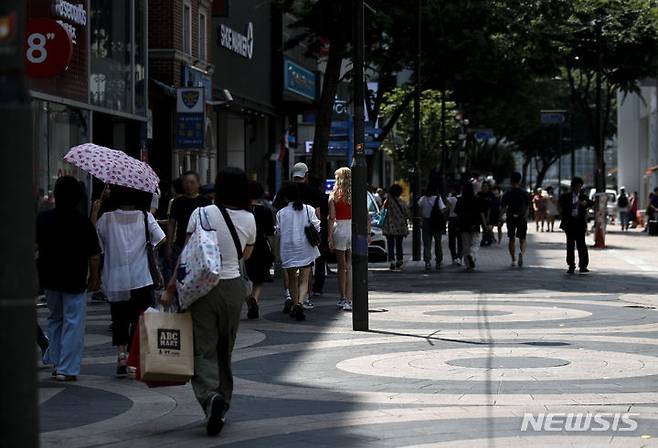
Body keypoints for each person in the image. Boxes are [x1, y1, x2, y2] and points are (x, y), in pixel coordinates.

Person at [161, 167, 256, 437]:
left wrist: (170, 287)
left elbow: (187, 254)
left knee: (202, 349)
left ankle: (210, 397)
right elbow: (246, 255)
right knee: (225, 347)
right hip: (233, 288)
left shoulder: (200, 213)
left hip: (202, 289)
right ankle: (222, 401)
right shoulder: (249, 218)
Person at [95, 185, 166, 376]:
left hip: (115, 278)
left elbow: (97, 242)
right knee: (138, 318)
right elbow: (161, 238)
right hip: (140, 277)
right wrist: (147, 245)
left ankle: (121, 355)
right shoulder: (145, 217)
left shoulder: (106, 218)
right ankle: (134, 360)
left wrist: (97, 208)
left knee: (119, 318)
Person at [37, 176, 101, 381]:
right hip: (74, 279)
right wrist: (94, 278)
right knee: (73, 322)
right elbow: (94, 255)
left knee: (55, 318)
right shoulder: (83, 223)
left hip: (49, 278)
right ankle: (67, 368)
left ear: (56, 195)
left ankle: (56, 361)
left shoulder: (43, 219)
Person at [276, 182, 321, 321]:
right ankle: (301, 303)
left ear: (285, 198)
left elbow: (278, 232)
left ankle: (295, 304)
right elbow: (317, 227)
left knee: (291, 279)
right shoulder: (309, 209)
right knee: (304, 278)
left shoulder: (281, 213)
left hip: (288, 248)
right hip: (305, 247)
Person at [166, 171, 211, 278]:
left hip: (200, 245)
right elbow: (171, 224)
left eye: (192, 182)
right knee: (179, 276)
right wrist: (168, 245)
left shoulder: (206, 202)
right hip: (180, 243)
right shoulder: (177, 202)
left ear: (198, 184)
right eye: (186, 182)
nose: (189, 185)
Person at [245, 181, 275, 320]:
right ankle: (255, 300)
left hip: (243, 246)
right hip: (261, 246)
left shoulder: (241, 210)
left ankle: (249, 298)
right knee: (259, 279)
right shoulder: (266, 210)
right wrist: (273, 251)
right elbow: (270, 233)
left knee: (245, 277)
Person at [328, 168, 353, 310]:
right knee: (350, 266)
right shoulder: (356, 194)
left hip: (340, 228)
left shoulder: (334, 195)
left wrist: (329, 236)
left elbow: (331, 218)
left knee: (341, 266)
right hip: (352, 229)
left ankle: (343, 297)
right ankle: (349, 300)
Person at [559, 177, 592, 274]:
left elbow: (590, 203)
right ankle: (571, 265)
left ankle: (583, 265)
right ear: (572, 187)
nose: (578, 188)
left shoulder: (583, 197)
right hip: (569, 223)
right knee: (570, 245)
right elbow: (561, 206)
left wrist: (583, 203)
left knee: (581, 244)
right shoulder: (566, 197)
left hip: (580, 223)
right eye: (576, 186)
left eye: (580, 186)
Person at [454, 182, 487, 270]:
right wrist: (484, 226)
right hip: (475, 225)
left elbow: (457, 214)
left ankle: (468, 265)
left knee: (465, 244)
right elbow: (481, 213)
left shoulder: (460, 200)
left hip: (463, 225)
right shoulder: (477, 199)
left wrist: (457, 225)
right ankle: (472, 255)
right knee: (475, 243)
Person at [501, 172, 530, 268]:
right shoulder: (524, 192)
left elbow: (503, 207)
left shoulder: (507, 193)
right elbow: (528, 206)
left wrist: (501, 217)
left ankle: (513, 259)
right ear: (520, 180)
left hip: (510, 217)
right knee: (522, 239)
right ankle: (522, 252)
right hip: (522, 217)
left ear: (511, 180)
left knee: (511, 238)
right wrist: (525, 216)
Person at [418, 186, 446, 270]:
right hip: (436, 222)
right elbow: (442, 210)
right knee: (438, 242)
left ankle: (427, 261)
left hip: (426, 222)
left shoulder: (422, 199)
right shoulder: (438, 198)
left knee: (427, 243)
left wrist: (421, 219)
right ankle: (438, 261)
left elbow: (419, 209)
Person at [382, 184, 409, 271]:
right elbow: (406, 213)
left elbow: (383, 211)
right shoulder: (402, 202)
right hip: (400, 226)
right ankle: (399, 260)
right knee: (399, 244)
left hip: (389, 226)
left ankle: (392, 260)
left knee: (390, 244)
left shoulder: (387, 201)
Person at [446, 184, 463, 265]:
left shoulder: (450, 199)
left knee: (452, 240)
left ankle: (454, 257)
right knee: (460, 240)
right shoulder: (462, 198)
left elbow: (447, 208)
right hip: (460, 219)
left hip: (452, 220)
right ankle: (460, 257)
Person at [477, 181, 496, 246]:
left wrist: (489, 216)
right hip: (480, 213)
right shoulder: (479, 194)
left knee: (488, 227)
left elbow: (492, 206)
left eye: (486, 186)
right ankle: (486, 239)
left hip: (490, 213)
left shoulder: (491, 195)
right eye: (484, 186)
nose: (485, 187)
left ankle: (487, 239)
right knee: (484, 226)